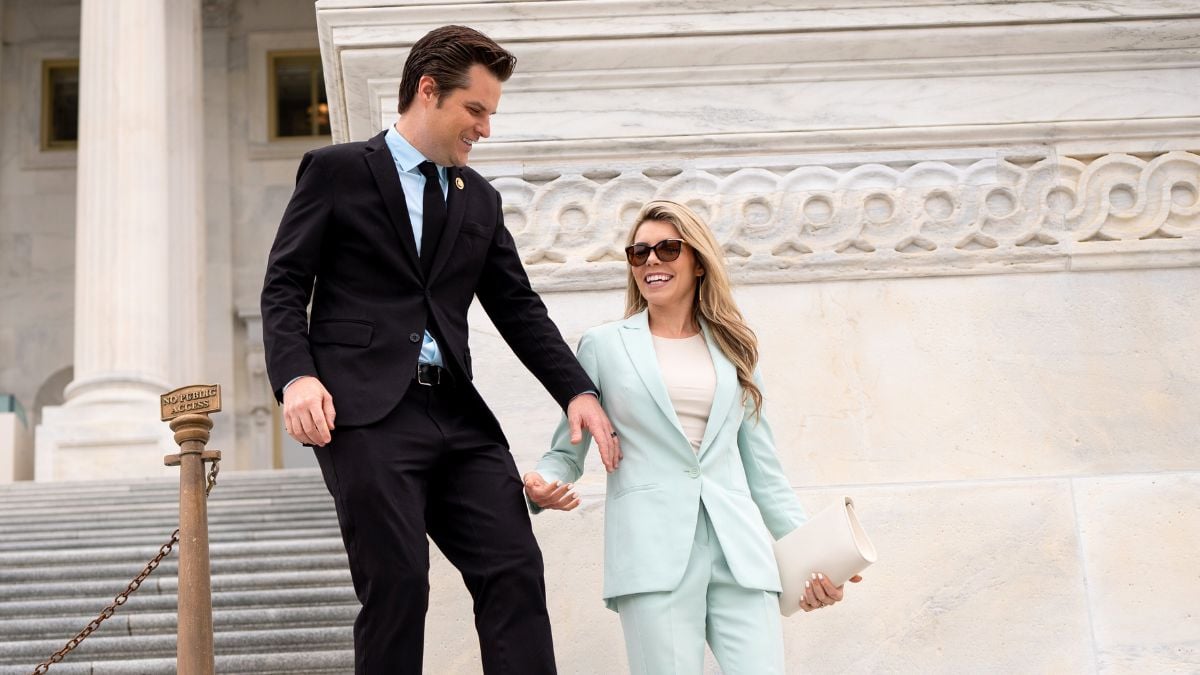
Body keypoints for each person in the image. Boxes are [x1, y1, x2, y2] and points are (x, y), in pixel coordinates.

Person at [260, 25, 619, 675]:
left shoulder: (478, 198)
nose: (485, 128)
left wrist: (577, 389)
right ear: (428, 92)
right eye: (475, 110)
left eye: (491, 113)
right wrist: (296, 378)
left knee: (513, 565)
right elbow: (284, 286)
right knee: (398, 581)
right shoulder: (338, 172)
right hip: (365, 411)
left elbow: (517, 306)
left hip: (457, 415)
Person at [524, 200, 860, 674]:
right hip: (651, 553)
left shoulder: (735, 349)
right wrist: (541, 482)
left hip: (740, 555)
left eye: (667, 248)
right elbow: (568, 448)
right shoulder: (604, 345)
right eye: (638, 253)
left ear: (698, 262)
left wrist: (815, 562)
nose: (652, 261)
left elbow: (766, 474)